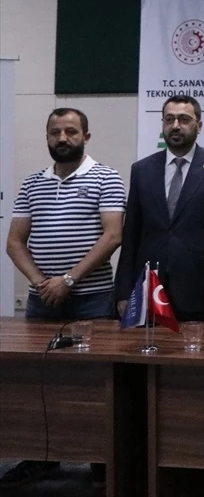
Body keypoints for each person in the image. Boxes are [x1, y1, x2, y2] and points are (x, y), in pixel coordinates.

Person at [2, 108, 124, 490]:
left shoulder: (107, 177)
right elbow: (14, 242)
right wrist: (42, 282)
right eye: (55, 132)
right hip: (44, 301)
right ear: (47, 137)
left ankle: (101, 463)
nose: (62, 138)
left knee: (94, 385)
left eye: (71, 131)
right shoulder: (32, 183)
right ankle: (43, 458)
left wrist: (68, 280)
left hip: (92, 299)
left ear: (87, 136)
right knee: (42, 382)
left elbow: (112, 236)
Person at [116, 95, 204, 322]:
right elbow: (130, 235)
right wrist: (123, 291)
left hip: (198, 289)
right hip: (148, 287)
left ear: (199, 126)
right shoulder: (142, 169)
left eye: (184, 119)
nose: (176, 126)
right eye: (169, 119)